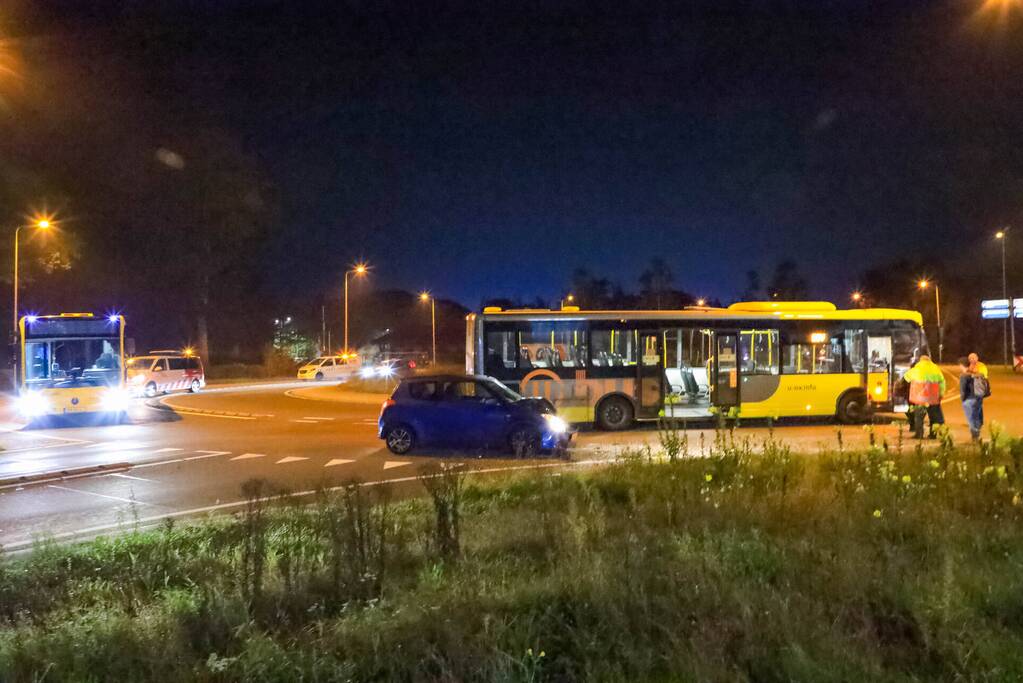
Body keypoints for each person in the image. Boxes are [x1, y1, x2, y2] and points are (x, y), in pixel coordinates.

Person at [903, 353, 945, 439]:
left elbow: (906, 378)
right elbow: (942, 382)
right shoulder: (936, 369)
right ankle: (933, 434)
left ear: (920, 361)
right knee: (933, 416)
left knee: (919, 416)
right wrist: (941, 394)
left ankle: (919, 434)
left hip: (920, 397)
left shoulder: (916, 369)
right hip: (933, 397)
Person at [958, 357, 985, 441]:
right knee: (977, 416)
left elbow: (963, 390)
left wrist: (963, 399)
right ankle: (978, 432)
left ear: (962, 365)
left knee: (971, 418)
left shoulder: (963, 376)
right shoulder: (977, 374)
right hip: (979, 397)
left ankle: (975, 436)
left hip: (969, 399)